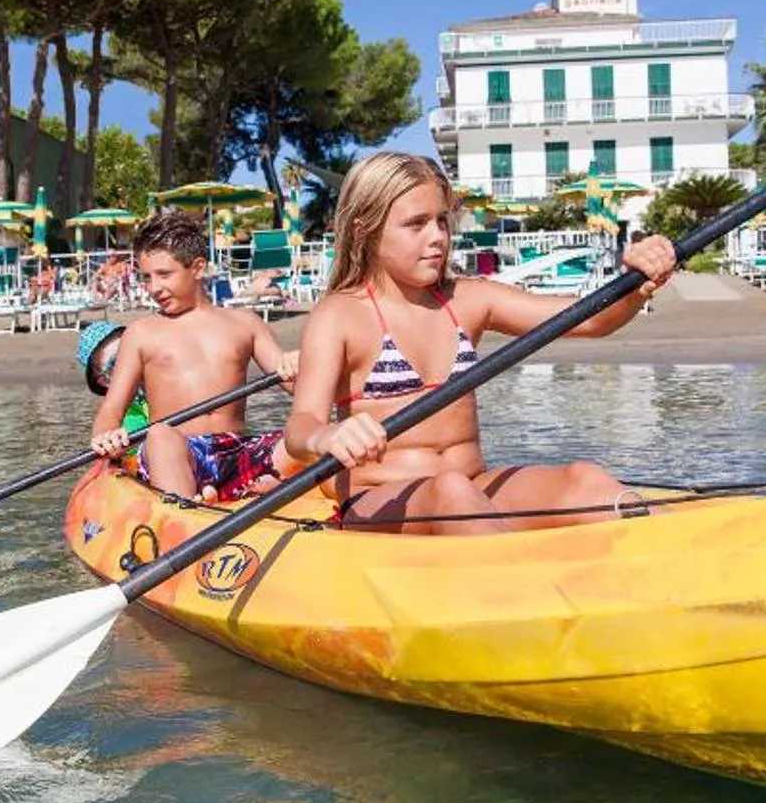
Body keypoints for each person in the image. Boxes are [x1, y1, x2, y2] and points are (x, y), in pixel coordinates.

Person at [285, 151, 674, 533]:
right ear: (362, 229)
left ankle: (688, 555)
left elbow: (591, 320)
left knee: (584, 480)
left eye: (442, 221)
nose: (437, 236)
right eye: (416, 224)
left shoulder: (469, 300)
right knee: (450, 493)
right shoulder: (339, 314)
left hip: (473, 484)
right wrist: (329, 436)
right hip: (378, 499)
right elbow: (300, 428)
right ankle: (530, 587)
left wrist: (636, 284)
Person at [89, 211, 299, 501]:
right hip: (180, 451)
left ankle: (231, 490)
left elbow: (299, 388)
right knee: (160, 435)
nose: (153, 288)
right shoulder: (141, 333)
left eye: (164, 275)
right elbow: (112, 410)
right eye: (146, 278)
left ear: (198, 268)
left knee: (305, 435)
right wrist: (106, 436)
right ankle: (188, 509)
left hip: (239, 449)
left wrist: (300, 366)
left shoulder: (245, 323)